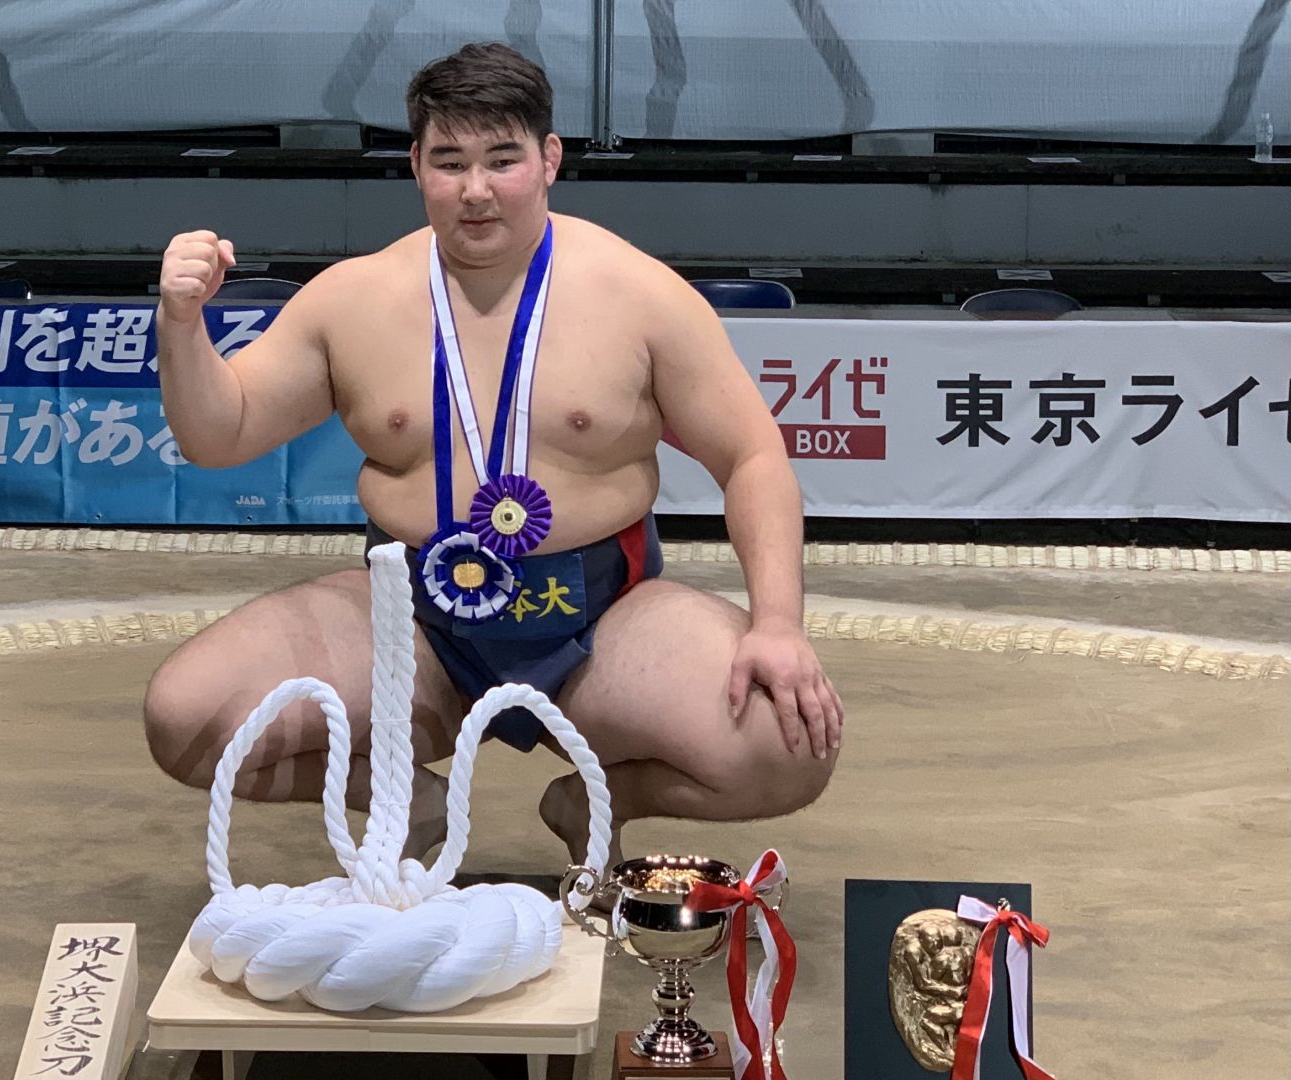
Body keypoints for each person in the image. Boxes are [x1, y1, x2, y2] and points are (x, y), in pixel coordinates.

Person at [143, 42, 843, 870]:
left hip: (604, 621)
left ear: (549, 159)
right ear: (416, 166)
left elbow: (753, 457)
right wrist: (181, 327)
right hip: (413, 623)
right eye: (450, 162)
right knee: (188, 721)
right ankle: (405, 797)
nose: (475, 190)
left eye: (502, 160)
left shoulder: (641, 294)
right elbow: (218, 434)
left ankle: (598, 798)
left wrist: (777, 624)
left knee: (787, 743)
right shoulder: (352, 299)